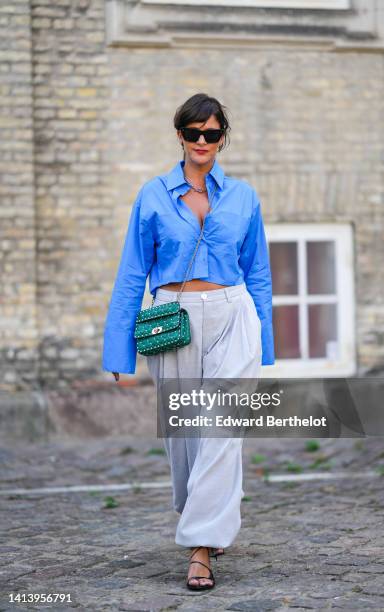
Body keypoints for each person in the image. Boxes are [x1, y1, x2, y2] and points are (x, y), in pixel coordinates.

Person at [102, 93, 275, 591]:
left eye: (213, 133)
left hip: (232, 313)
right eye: (194, 132)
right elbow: (133, 273)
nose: (203, 141)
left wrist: (263, 340)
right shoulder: (153, 195)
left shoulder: (243, 197)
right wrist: (119, 348)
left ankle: (200, 548)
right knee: (184, 435)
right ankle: (203, 511)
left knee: (221, 428)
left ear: (223, 138)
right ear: (179, 135)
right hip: (169, 317)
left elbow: (258, 272)